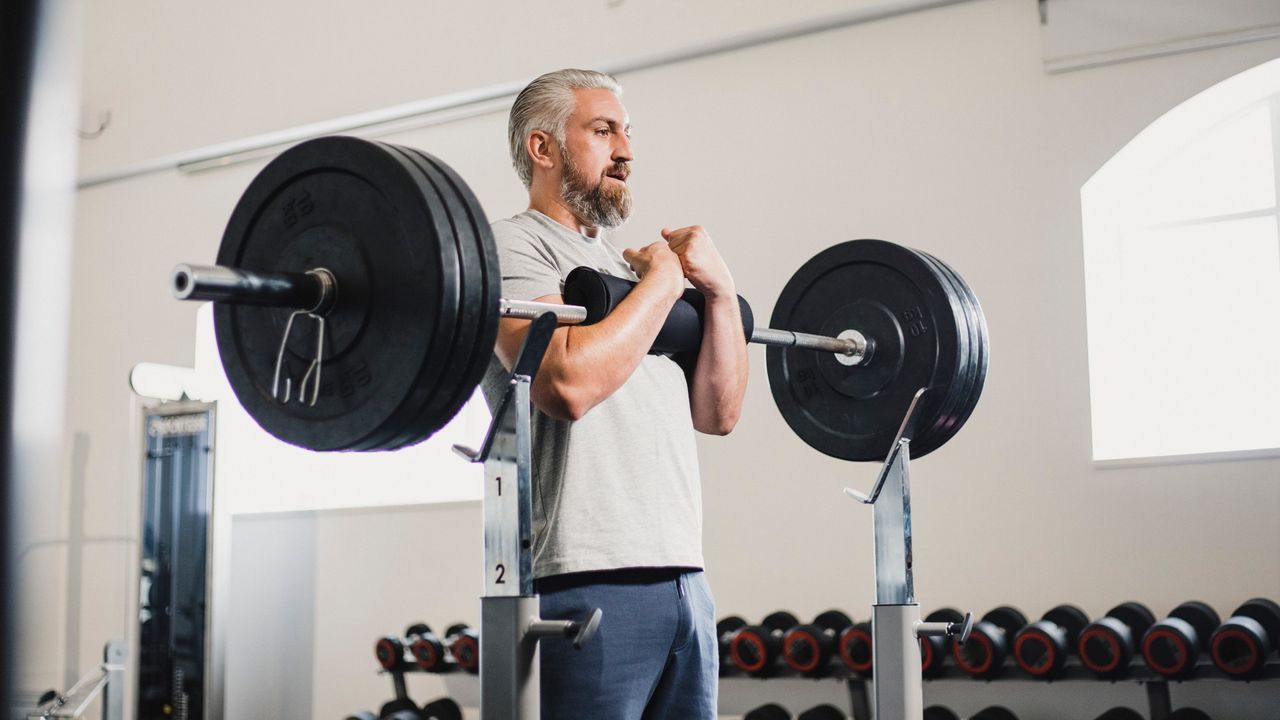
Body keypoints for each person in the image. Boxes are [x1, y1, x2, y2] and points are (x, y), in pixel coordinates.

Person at [480, 68, 749, 719]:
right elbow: (565, 384)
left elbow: (719, 413)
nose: (626, 150)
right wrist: (662, 283)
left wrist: (717, 291)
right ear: (544, 148)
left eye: (627, 133)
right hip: (583, 578)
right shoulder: (511, 243)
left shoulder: (631, 272)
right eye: (603, 131)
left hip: (685, 576)